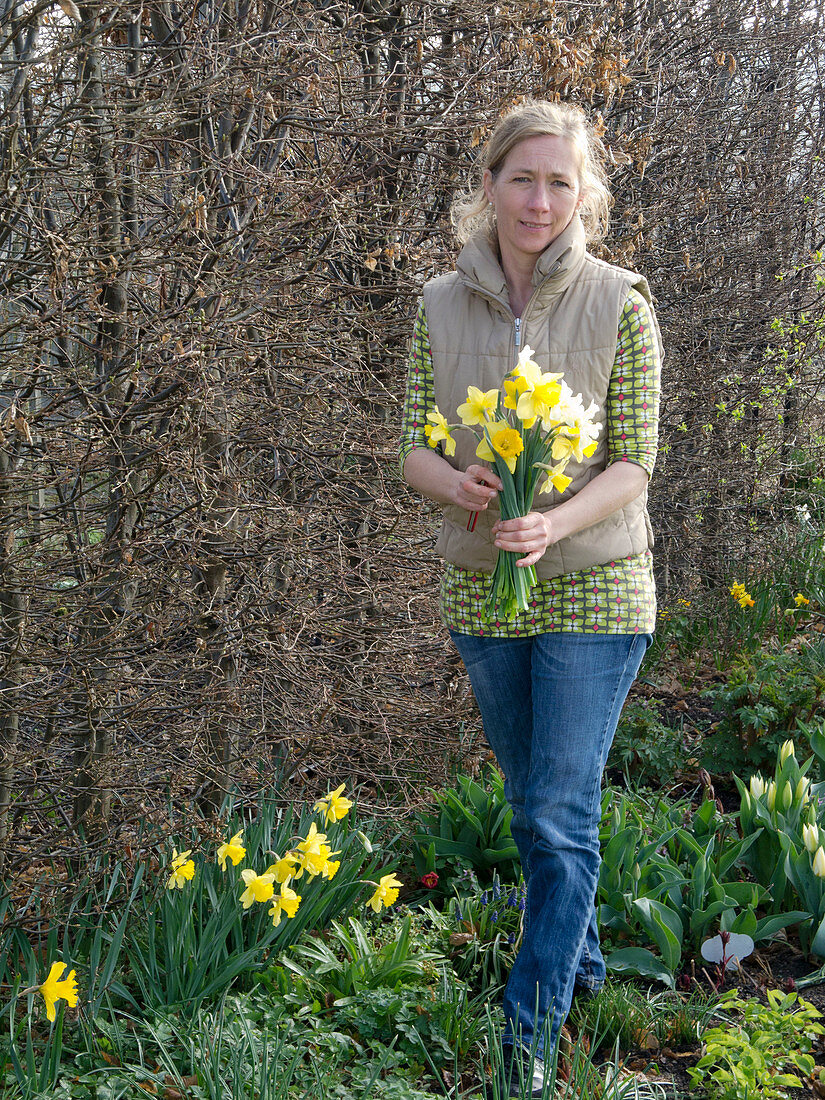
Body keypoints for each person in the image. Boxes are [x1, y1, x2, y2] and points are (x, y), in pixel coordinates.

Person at [399, 100, 663, 1096]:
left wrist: (552, 519)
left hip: (595, 585)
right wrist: (454, 484)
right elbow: (411, 443)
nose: (539, 199)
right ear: (491, 184)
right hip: (484, 586)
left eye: (559, 181)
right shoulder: (438, 304)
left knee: (558, 808)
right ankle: (586, 967)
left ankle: (529, 1034)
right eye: (522, 177)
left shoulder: (619, 300)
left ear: (581, 193)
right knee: (533, 804)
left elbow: (636, 461)